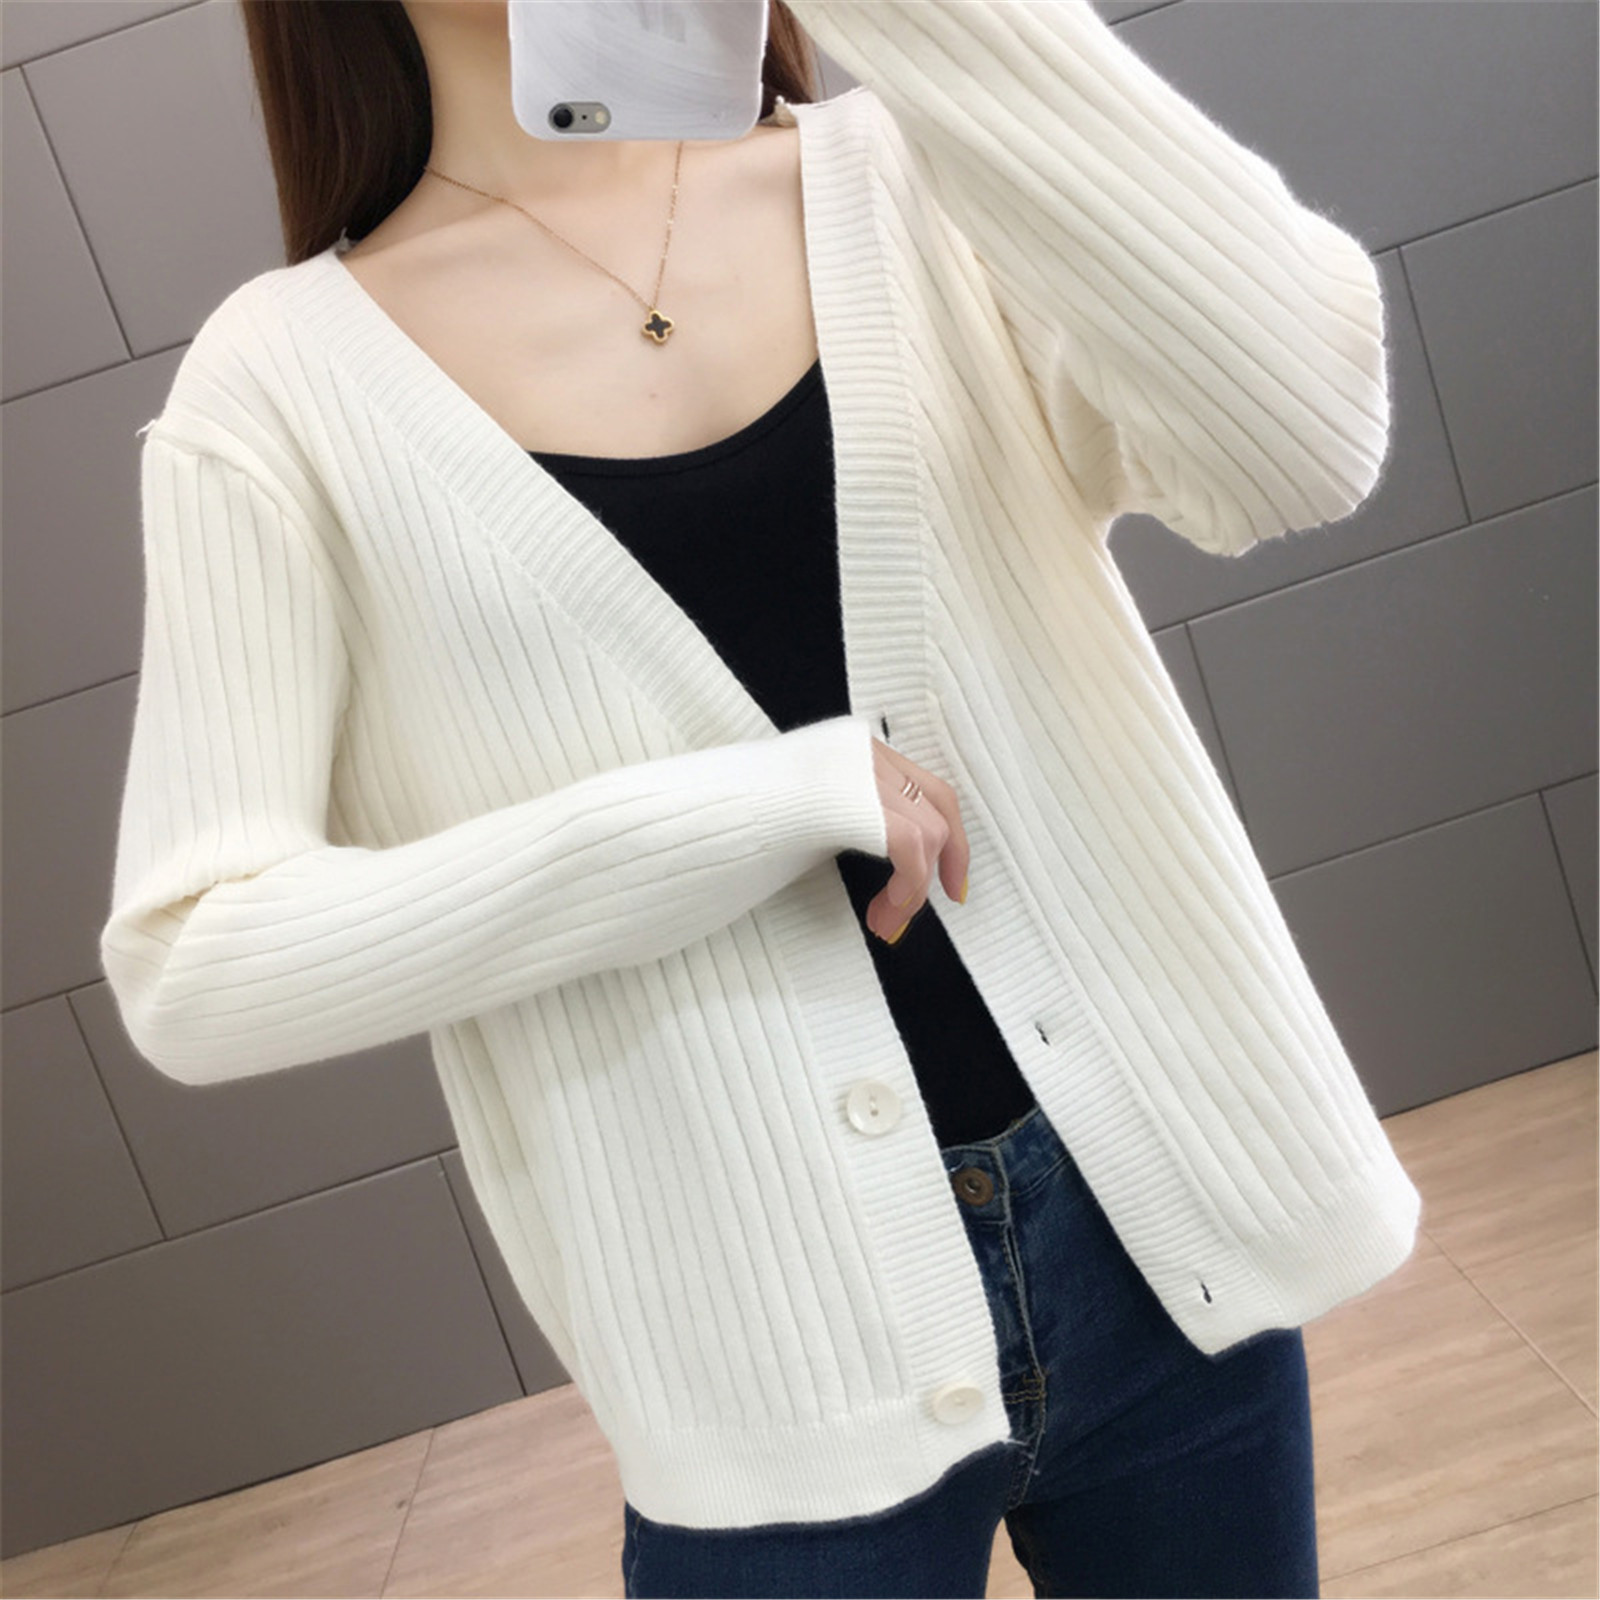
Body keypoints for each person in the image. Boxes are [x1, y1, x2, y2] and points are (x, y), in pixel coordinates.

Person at [100, 1, 1421, 1595]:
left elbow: (1302, 444)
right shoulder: (278, 391)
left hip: (1163, 1242)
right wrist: (743, 812)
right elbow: (195, 959)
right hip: (767, 1352)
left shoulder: (917, 175)